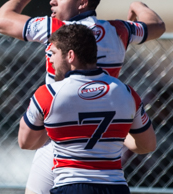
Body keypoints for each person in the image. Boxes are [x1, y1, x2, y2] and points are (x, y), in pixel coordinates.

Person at [0, 0, 166, 194]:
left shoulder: (56, 29)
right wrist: (137, 6)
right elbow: (157, 25)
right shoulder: (119, 30)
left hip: (61, 140)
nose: (52, 1)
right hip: (105, 144)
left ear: (82, 3)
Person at [19, 24, 157, 194]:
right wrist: (117, 134)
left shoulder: (48, 94)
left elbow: (25, 142)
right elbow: (148, 144)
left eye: (53, 53)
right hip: (115, 187)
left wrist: (52, 128)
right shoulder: (126, 93)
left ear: (70, 55)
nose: (50, 59)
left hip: (71, 186)